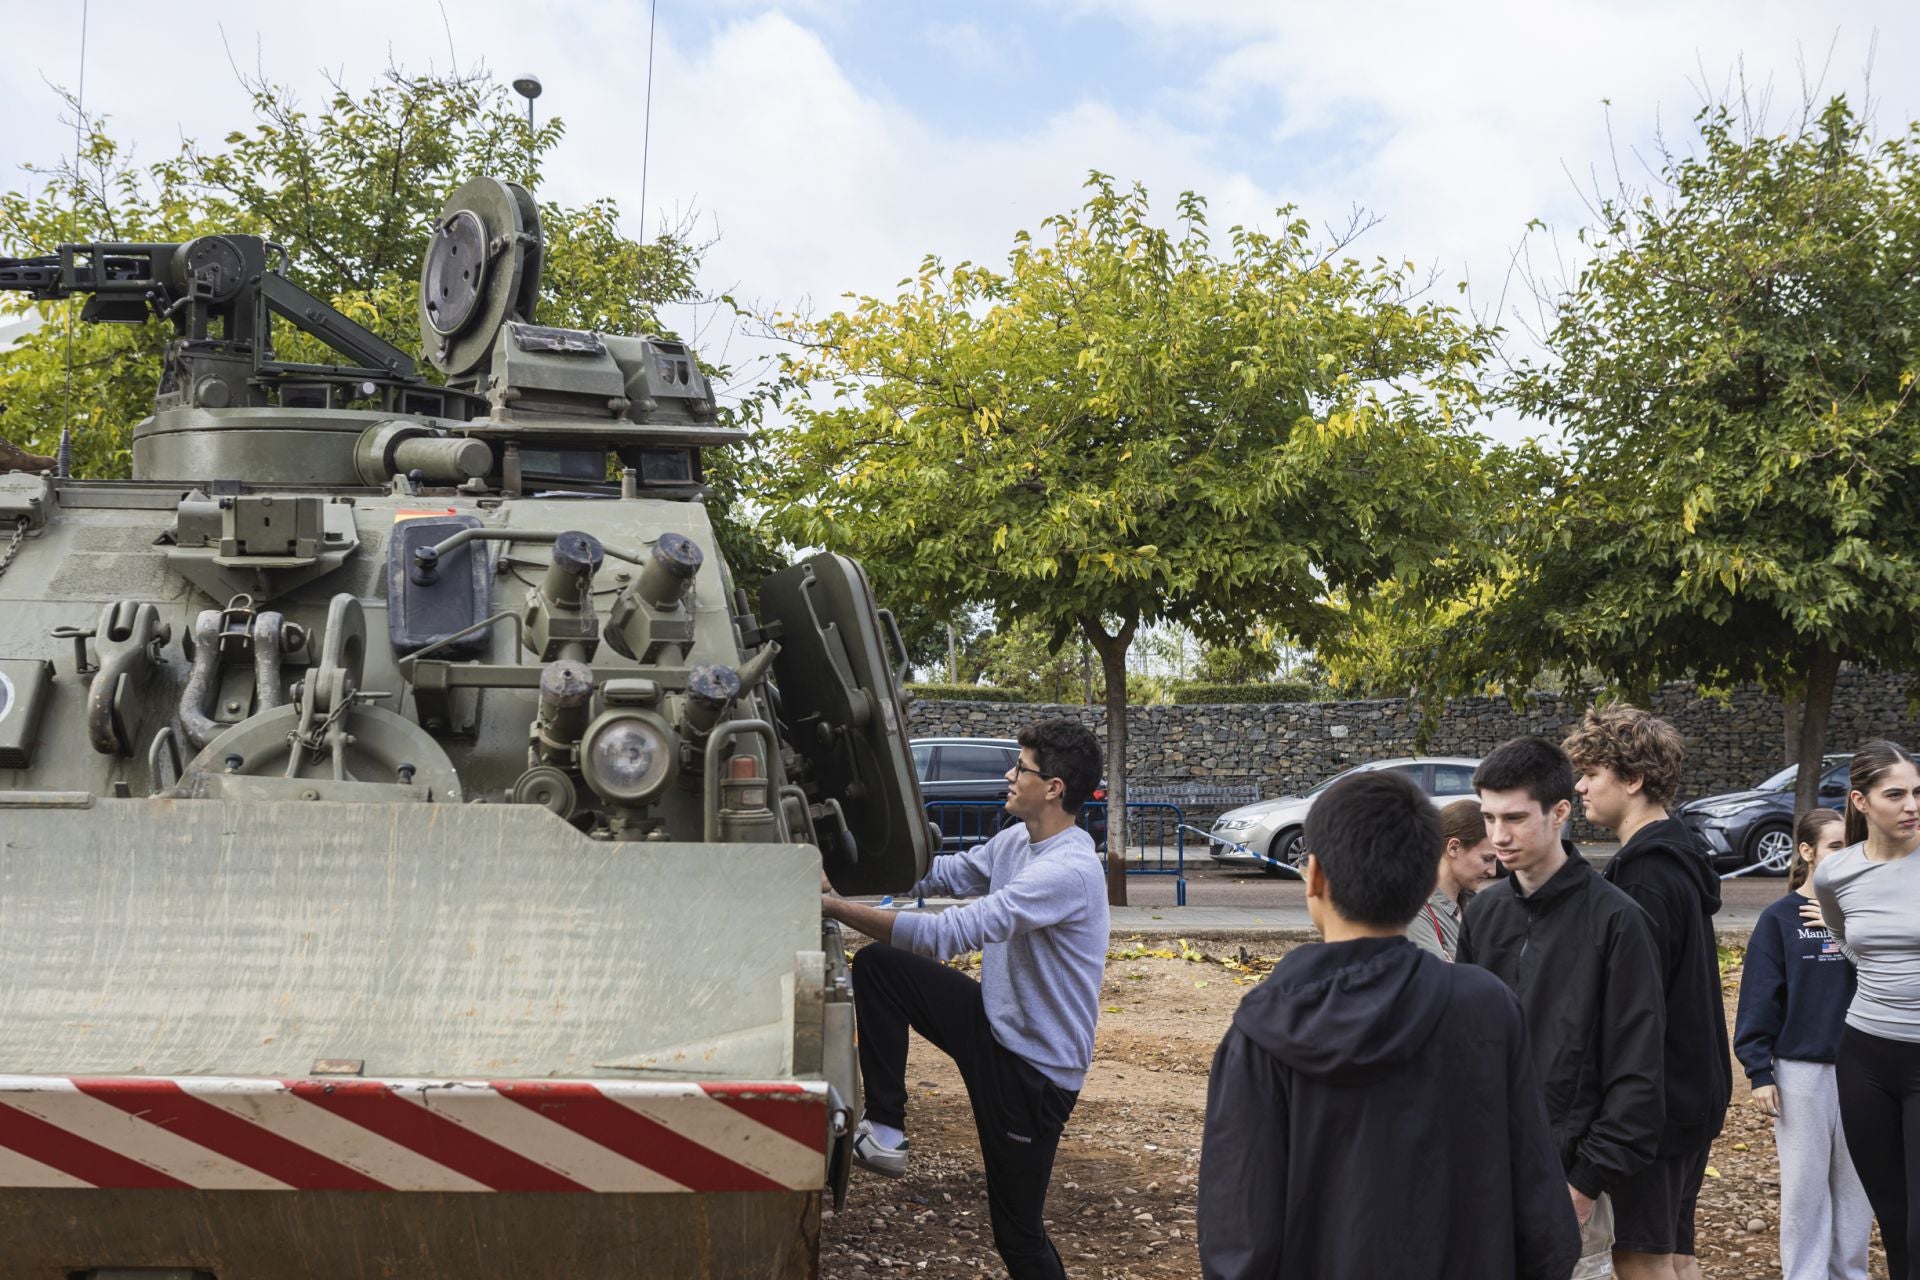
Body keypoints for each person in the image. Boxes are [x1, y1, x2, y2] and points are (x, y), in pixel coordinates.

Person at [1196, 769, 1579, 1279]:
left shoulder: (1262, 1029)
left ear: (1314, 878)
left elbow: (1237, 1236)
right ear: (1427, 879)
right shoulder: (1486, 1010)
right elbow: (1543, 1217)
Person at [822, 716, 1108, 1280]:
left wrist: (833, 908)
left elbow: (944, 936)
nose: (1009, 775)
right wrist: (837, 875)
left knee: (1018, 1236)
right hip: (994, 1023)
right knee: (880, 968)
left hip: (1034, 1073)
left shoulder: (1067, 870)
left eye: (1021, 769)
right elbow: (934, 875)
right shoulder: (1017, 842)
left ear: (1053, 788)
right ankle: (886, 1130)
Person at [1457, 735, 1666, 1280]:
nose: (1499, 836)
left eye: (1515, 818)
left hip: (1573, 1189)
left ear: (1560, 812)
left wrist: (1583, 1185)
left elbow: (1639, 1076)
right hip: (1483, 1178)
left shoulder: (1619, 922)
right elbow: (1463, 1048)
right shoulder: (1483, 916)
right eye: (1488, 818)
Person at [1563, 705, 1732, 1280]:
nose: (1580, 786)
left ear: (1632, 780)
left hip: (1654, 1111)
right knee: (1675, 1257)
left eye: (1592, 773)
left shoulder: (1644, 877)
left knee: (1642, 1261)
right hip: (1690, 1096)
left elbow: (1636, 1011)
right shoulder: (1676, 857)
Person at [1735, 807, 1869, 1280]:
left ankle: (1850, 1273)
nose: (1845, 854)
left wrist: (1843, 930)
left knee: (1857, 1191)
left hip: (1865, 1072)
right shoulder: (1779, 919)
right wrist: (1759, 1072)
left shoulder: (1864, 913)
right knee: (1804, 1190)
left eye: (1851, 845)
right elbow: (1758, 999)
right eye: (1835, 845)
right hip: (1801, 1073)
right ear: (1807, 852)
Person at [1812, 739, 1920, 1280]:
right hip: (1866, 1057)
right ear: (1860, 801)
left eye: (1918, 792)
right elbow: (1845, 940)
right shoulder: (1837, 873)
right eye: (1896, 794)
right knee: (1895, 1220)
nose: (1912, 805)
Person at [1407, 797, 1498, 961]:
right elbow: (1437, 982)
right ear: (1454, 848)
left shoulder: (1476, 904)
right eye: (1487, 859)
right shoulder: (1414, 911)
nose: (1492, 872)